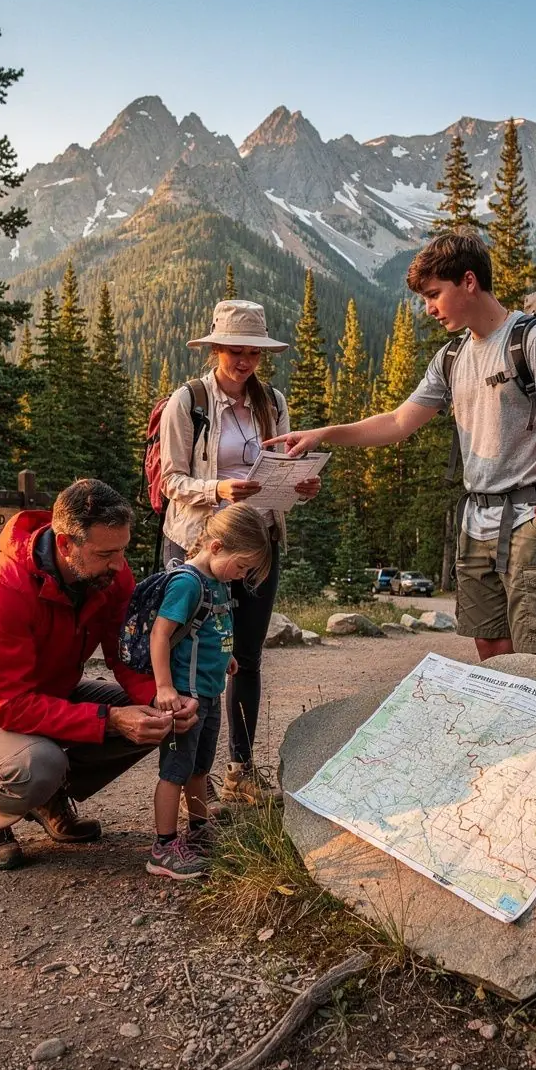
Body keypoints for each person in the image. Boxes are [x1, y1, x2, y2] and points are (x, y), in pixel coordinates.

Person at [266, 232, 536, 660]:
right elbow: (399, 422)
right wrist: (323, 433)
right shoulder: (452, 357)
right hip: (476, 522)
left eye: (434, 294)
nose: (429, 308)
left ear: (469, 282)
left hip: (532, 517)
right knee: (491, 647)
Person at [0, 479, 198, 871]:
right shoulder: (1, 586)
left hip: (49, 695)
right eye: (106, 553)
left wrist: (159, 697)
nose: (120, 566)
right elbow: (9, 705)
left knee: (156, 720)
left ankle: (46, 798)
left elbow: (124, 654)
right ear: (66, 544)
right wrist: (111, 719)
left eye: (123, 550)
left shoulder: (106, 575)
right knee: (38, 764)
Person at [158, 299, 320, 802]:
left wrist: (300, 486)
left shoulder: (272, 400)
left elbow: (281, 464)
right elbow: (170, 479)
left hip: (256, 542)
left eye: (252, 352)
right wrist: (218, 491)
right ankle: (184, 774)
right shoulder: (187, 402)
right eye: (234, 351)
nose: (244, 361)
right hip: (200, 543)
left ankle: (240, 771)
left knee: (245, 657)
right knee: (191, 653)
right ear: (215, 350)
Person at [145, 504, 273, 881]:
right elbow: (161, 635)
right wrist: (164, 687)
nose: (242, 575)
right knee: (174, 770)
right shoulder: (188, 582)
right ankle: (163, 847)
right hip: (183, 696)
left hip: (209, 693)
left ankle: (198, 832)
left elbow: (211, 627)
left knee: (199, 767)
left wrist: (227, 657)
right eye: (242, 566)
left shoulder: (219, 581)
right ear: (217, 547)